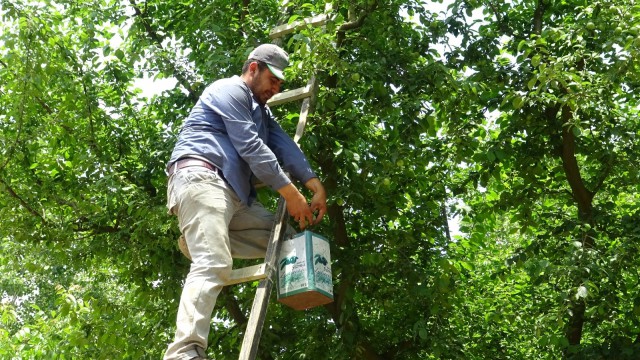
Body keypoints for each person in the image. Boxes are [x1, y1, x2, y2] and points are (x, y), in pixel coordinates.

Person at [163, 44, 327, 360]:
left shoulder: (263, 114)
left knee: (287, 244)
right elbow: (251, 146)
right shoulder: (228, 90)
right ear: (253, 68)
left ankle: (199, 239)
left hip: (235, 197)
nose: (276, 87)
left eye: (281, 83)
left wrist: (315, 186)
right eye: (273, 79)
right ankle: (184, 351)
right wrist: (292, 195)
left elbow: (286, 148)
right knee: (213, 262)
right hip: (202, 177)